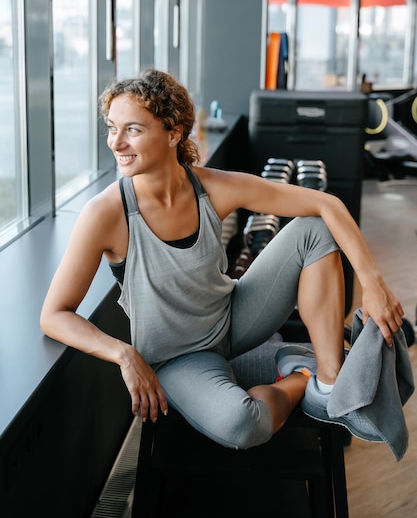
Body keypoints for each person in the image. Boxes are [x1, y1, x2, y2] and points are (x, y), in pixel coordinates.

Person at [40, 68, 405, 450]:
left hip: (234, 319)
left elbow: (326, 204)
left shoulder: (211, 188)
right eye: (111, 127)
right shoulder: (105, 214)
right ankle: (302, 376)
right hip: (177, 359)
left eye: (133, 129)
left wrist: (374, 287)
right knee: (243, 425)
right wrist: (123, 353)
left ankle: (328, 387)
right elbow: (54, 315)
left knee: (314, 229)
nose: (116, 142)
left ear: (173, 133)